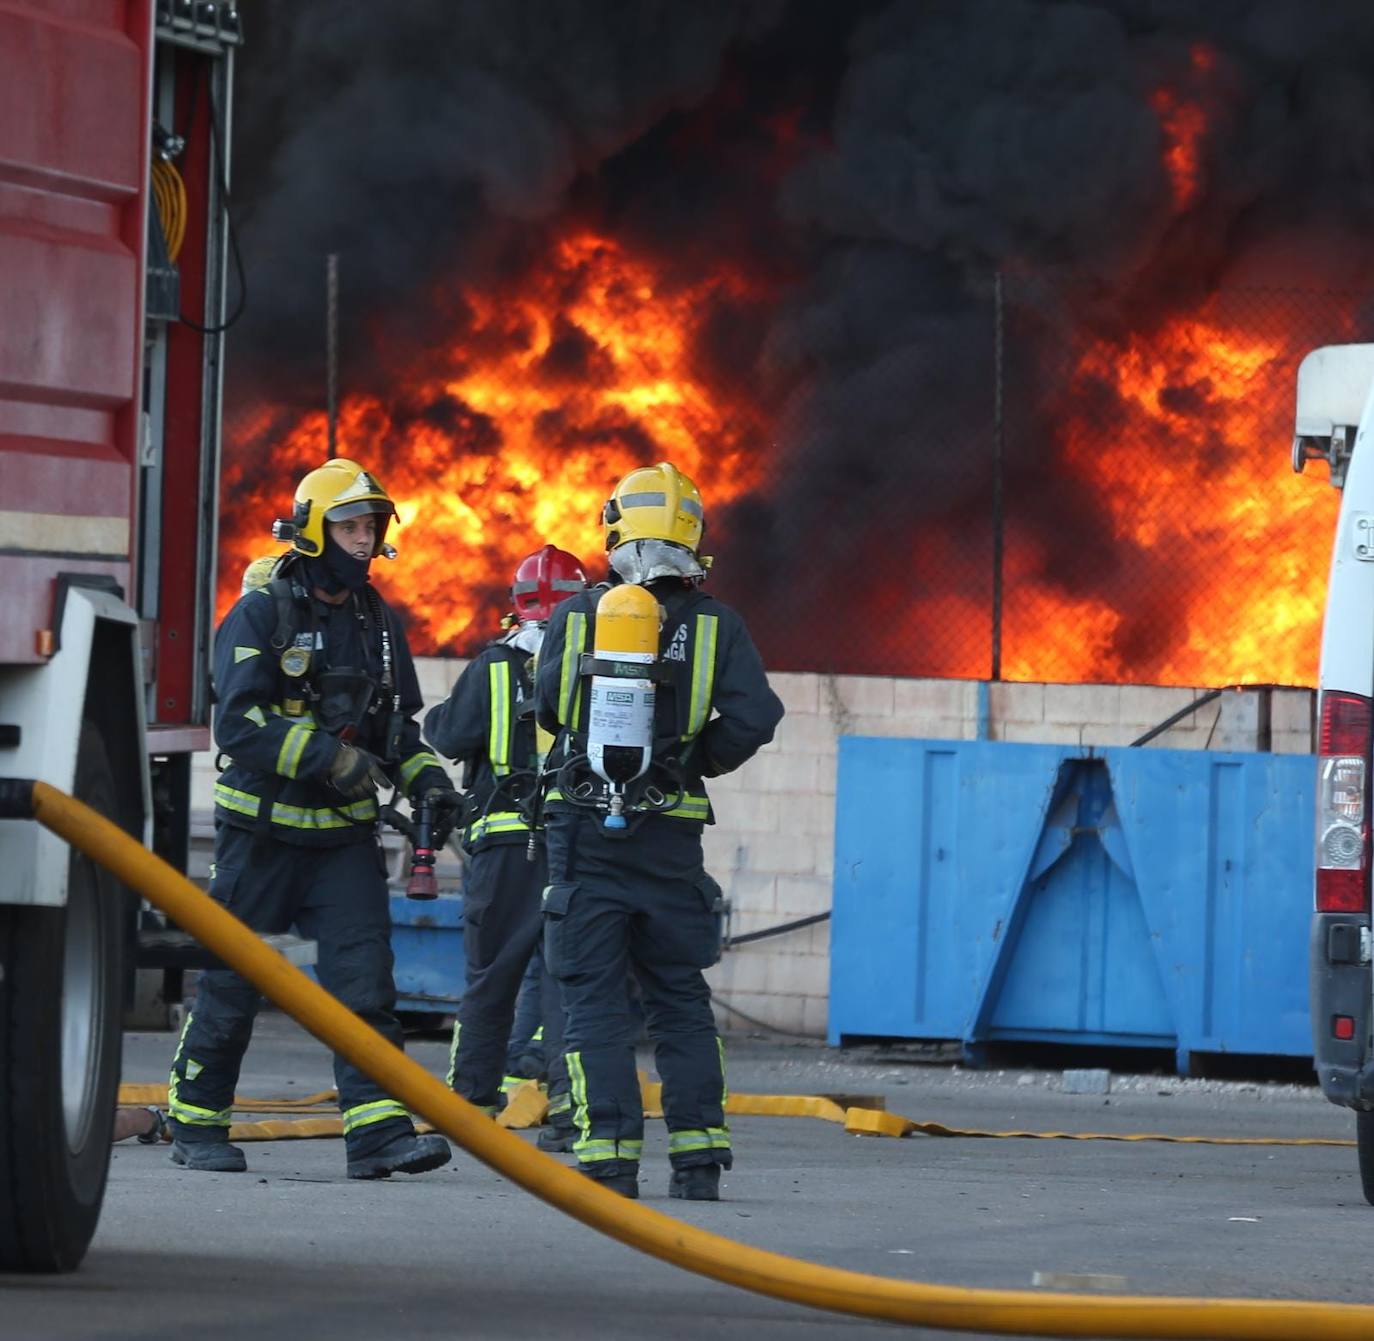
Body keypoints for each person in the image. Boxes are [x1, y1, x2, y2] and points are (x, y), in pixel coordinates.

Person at [167, 458, 461, 1180]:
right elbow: (236, 723)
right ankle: (197, 1121)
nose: (364, 540)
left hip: (341, 844)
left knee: (366, 986)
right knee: (235, 981)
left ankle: (378, 1134)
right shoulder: (263, 611)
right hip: (262, 836)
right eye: (351, 526)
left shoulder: (379, 625)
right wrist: (327, 759)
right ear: (313, 531)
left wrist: (428, 781)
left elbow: (394, 730)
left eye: (371, 527)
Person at [534, 462, 784, 1200]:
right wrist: (691, 762)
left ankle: (608, 1162)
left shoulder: (579, 612)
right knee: (679, 996)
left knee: (594, 1002)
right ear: (692, 535)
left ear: (618, 530)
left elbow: (548, 706)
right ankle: (699, 1159)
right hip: (671, 840)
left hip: (586, 829)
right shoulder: (718, 625)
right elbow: (756, 717)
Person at [424, 544, 588, 1150]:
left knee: (490, 981)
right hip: (574, 848)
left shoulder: (492, 667)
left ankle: (469, 1104)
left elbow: (446, 732)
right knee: (568, 982)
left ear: (516, 606)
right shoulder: (594, 664)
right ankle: (575, 1117)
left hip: (501, 852)